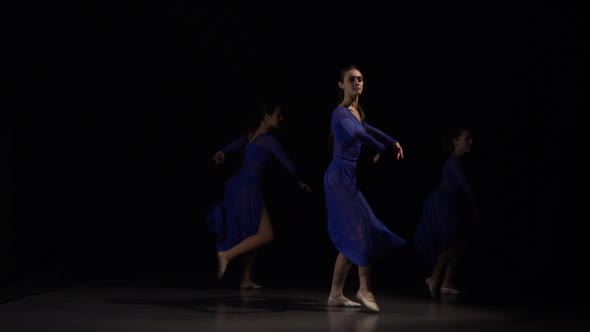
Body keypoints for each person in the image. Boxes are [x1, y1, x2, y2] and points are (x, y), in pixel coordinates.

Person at [323, 65, 406, 313]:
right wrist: (380, 149)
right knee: (363, 229)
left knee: (352, 234)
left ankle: (335, 293)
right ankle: (364, 288)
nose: (357, 83)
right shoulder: (340, 114)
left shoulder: (356, 111)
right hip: (338, 178)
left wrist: (391, 142)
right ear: (341, 85)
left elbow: (367, 128)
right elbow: (358, 133)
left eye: (360, 79)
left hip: (347, 177)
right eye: (351, 80)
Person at [207, 101, 312, 289]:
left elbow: (237, 143)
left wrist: (223, 150)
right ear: (266, 117)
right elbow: (285, 161)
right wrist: (299, 179)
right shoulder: (268, 140)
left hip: (238, 185)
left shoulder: (251, 135)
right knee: (267, 234)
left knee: (256, 232)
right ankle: (226, 255)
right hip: (247, 189)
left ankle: (245, 279)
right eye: (277, 115)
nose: (281, 119)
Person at [412, 127, 480, 298]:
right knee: (451, 243)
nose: (470, 142)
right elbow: (464, 185)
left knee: (459, 244)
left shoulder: (460, 161)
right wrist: (476, 206)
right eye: (467, 138)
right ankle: (434, 278)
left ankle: (446, 283)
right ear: (456, 141)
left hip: (453, 204)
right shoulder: (454, 161)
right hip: (442, 205)